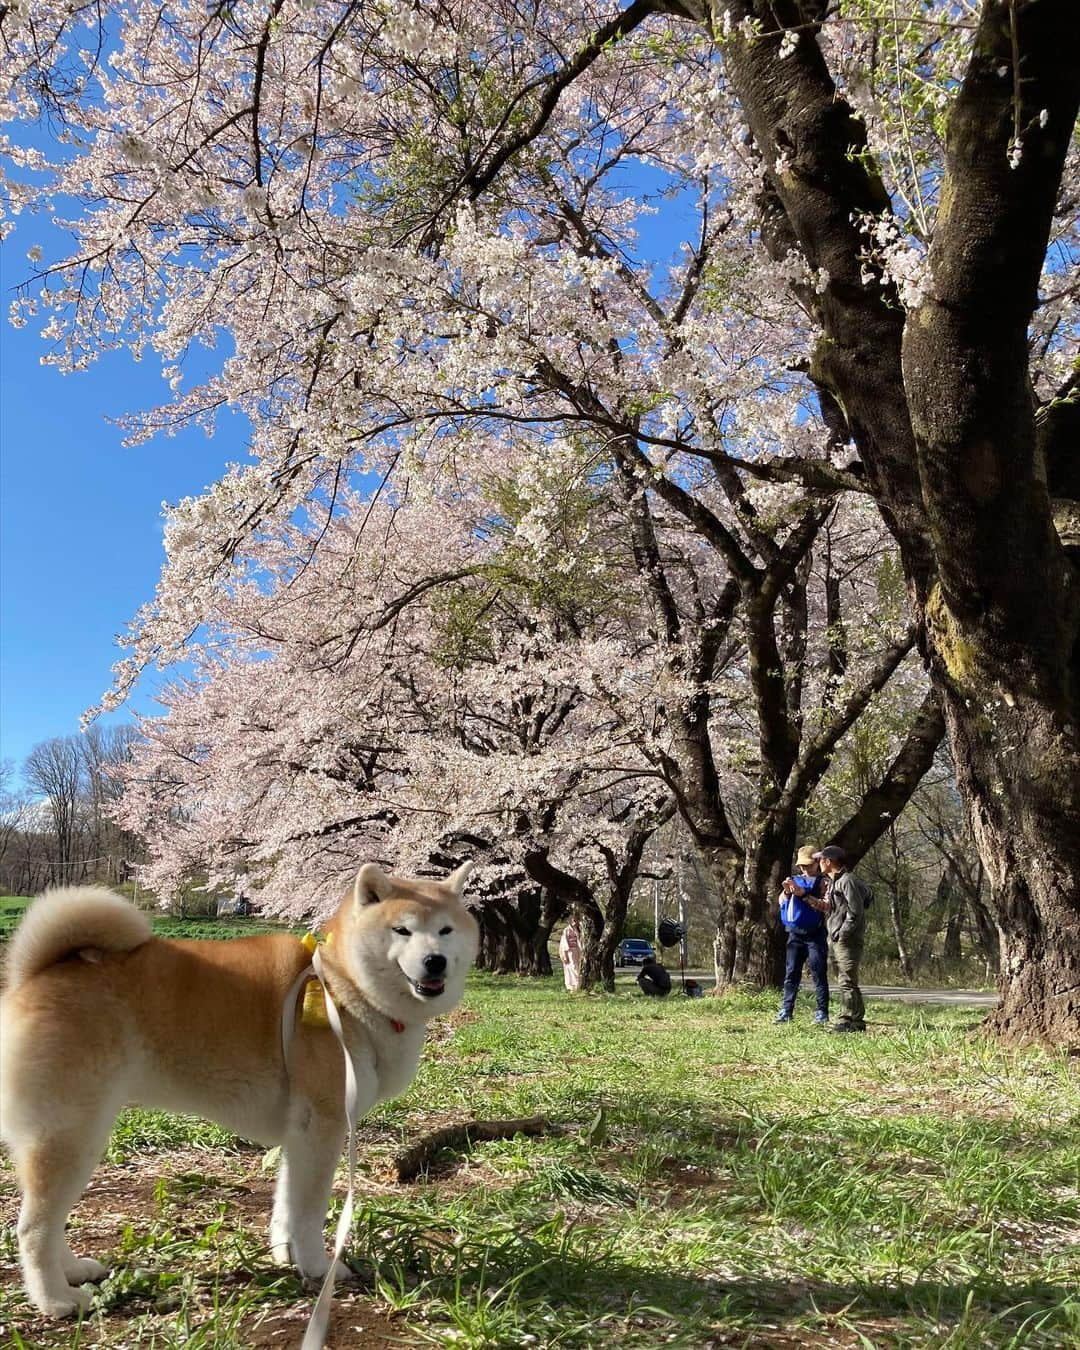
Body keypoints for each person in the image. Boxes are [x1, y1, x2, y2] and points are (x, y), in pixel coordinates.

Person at [814, 845, 868, 1033]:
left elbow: (856, 911)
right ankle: (857, 1021)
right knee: (845, 980)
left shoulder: (847, 880)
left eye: (821, 860)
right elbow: (832, 909)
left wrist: (843, 933)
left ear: (829, 862)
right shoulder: (833, 882)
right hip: (836, 938)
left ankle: (846, 1020)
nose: (818, 863)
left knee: (846, 980)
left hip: (847, 940)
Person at [774, 844, 830, 1025]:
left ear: (817, 863)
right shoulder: (794, 880)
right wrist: (787, 892)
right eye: (802, 866)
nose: (805, 869)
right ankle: (786, 1010)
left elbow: (827, 906)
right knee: (791, 973)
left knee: (818, 973)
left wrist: (804, 895)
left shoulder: (824, 882)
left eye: (809, 865)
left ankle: (822, 1012)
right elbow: (781, 902)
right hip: (795, 934)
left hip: (815, 934)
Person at [558, 918, 582, 992]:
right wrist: (564, 954)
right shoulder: (566, 930)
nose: (575, 922)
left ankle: (578, 985)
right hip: (569, 951)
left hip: (577, 950)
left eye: (576, 921)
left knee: (577, 967)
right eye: (573, 921)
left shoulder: (577, 930)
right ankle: (572, 986)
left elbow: (579, 940)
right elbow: (564, 943)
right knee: (572, 967)